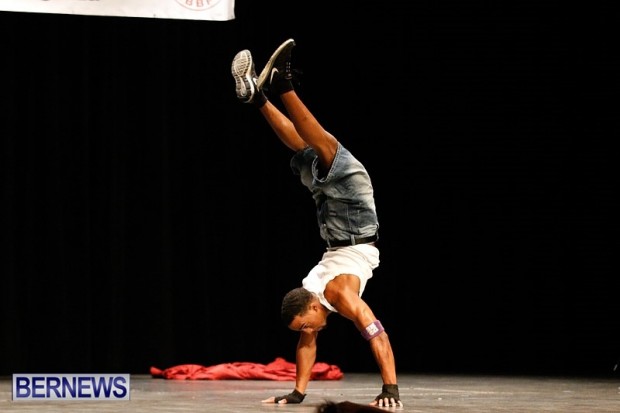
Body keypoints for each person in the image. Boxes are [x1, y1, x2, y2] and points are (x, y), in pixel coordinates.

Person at [230, 39, 403, 408]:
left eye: (304, 325)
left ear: (310, 307)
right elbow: (306, 345)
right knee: (308, 149)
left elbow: (377, 333)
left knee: (327, 149)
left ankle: (283, 86)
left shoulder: (338, 296)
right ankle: (258, 99)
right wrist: (297, 393)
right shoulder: (309, 291)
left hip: (353, 227)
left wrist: (390, 389)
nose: (307, 331)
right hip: (334, 230)